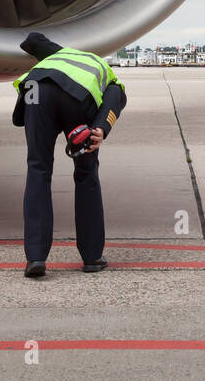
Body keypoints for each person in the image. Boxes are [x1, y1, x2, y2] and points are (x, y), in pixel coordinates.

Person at [11, 31, 127, 278]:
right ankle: (92, 256)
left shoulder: (61, 54)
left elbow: (34, 39)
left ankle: (35, 258)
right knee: (86, 173)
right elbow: (114, 98)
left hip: (34, 89)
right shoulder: (109, 75)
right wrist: (100, 129)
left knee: (38, 169)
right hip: (77, 96)